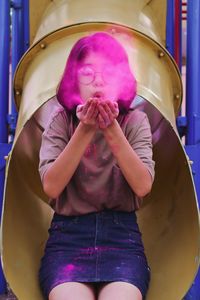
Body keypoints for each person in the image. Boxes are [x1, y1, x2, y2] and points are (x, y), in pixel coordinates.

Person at [38, 31, 155, 300]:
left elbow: (143, 185)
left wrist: (111, 128)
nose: (98, 82)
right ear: (74, 80)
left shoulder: (135, 122)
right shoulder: (61, 122)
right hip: (68, 238)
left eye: (108, 73)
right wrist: (85, 130)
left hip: (121, 239)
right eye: (87, 73)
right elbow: (51, 186)